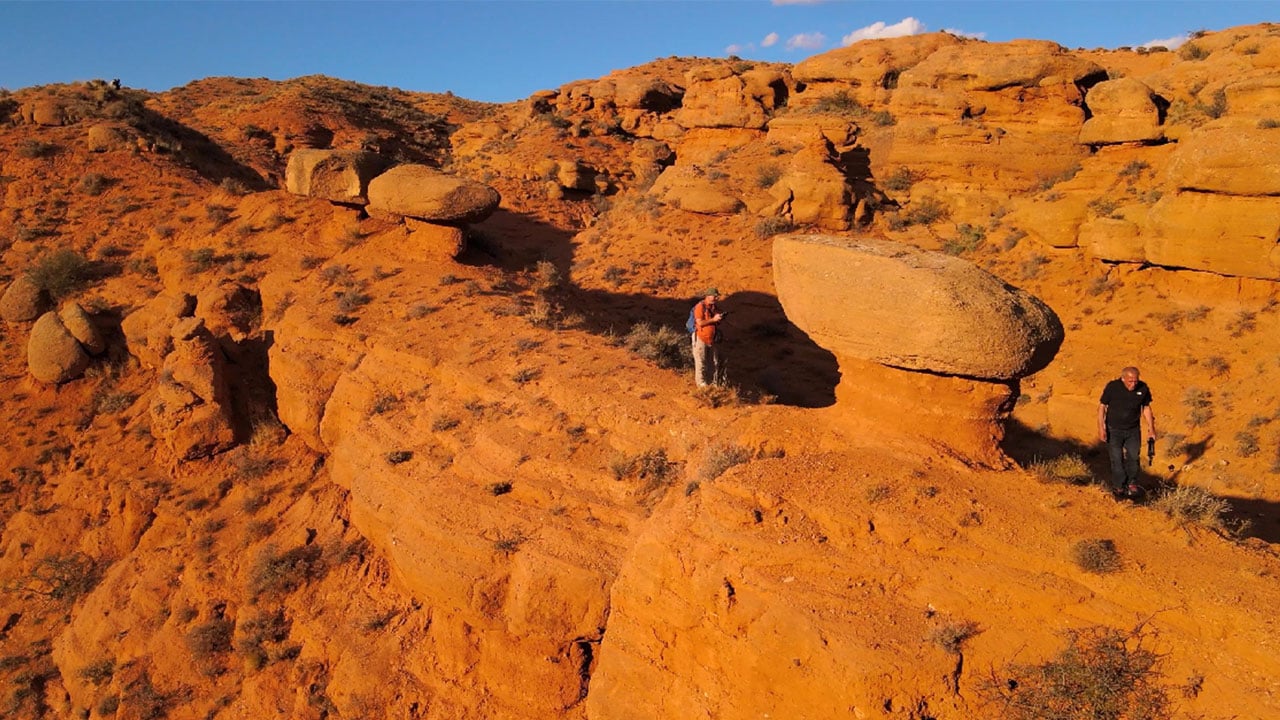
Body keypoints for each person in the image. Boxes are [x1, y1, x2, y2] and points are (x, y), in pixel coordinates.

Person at [1097, 366, 1157, 498]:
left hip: (1133, 430)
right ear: (1123, 378)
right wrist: (1101, 428)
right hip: (1114, 430)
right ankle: (1119, 486)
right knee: (1117, 459)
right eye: (1130, 381)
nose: (1133, 384)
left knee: (1134, 458)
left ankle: (1132, 484)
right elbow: (1102, 407)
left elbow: (1146, 408)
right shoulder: (1113, 387)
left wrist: (1151, 429)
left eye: (1135, 381)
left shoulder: (1143, 388)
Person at [691, 287, 725, 387]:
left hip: (711, 339)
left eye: (716, 296)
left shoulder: (713, 307)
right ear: (707, 296)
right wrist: (714, 320)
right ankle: (701, 385)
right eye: (713, 296)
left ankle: (713, 384)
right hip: (701, 337)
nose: (715, 298)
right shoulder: (700, 307)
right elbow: (700, 322)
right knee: (701, 361)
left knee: (713, 362)